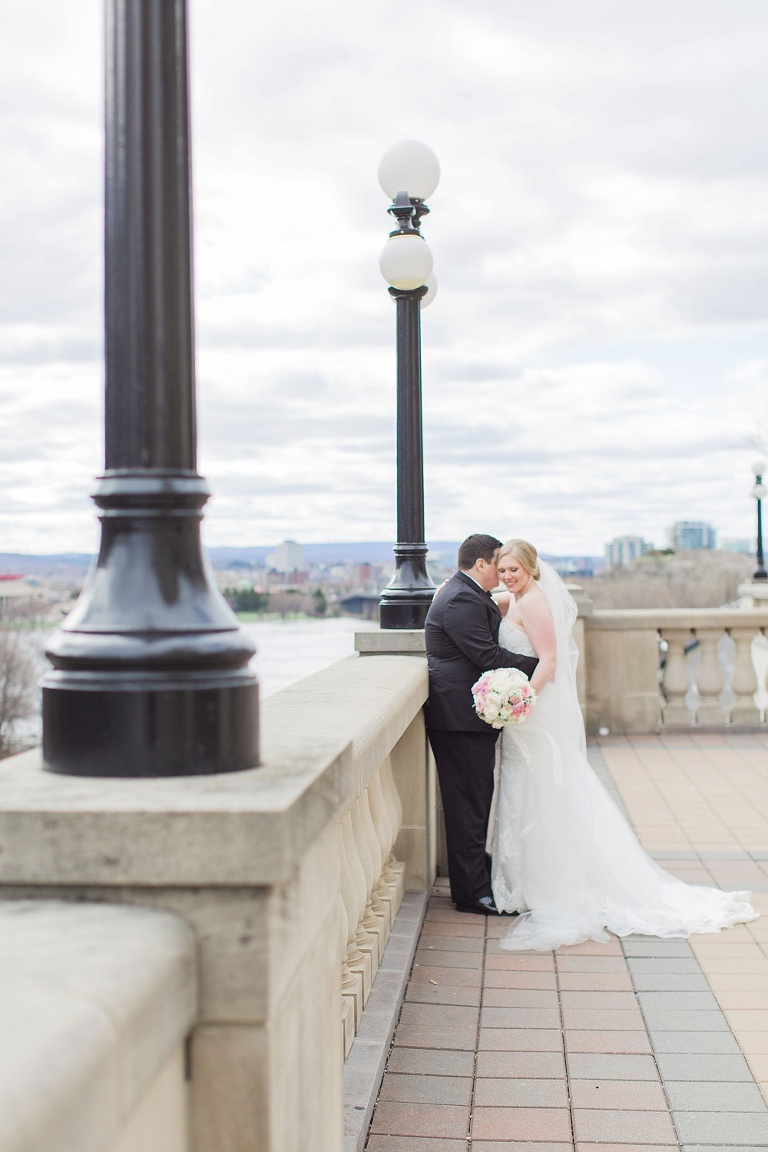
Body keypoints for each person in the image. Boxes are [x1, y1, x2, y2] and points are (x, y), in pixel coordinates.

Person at [490, 538, 758, 950]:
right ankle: (526, 881)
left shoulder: (536, 603)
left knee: (545, 789)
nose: (508, 576)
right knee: (526, 788)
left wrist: (521, 699)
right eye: (502, 570)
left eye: (514, 570)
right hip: (524, 715)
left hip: (533, 710)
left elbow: (550, 660)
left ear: (531, 568)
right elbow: (496, 603)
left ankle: (547, 883)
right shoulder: (517, 598)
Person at [424, 534, 539, 915]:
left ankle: (476, 880)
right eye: (498, 565)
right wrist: (538, 669)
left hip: (465, 719)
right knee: (468, 807)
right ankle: (471, 894)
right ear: (481, 565)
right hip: (459, 721)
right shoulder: (460, 597)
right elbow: (486, 654)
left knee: (474, 804)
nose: (502, 573)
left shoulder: (466, 593)